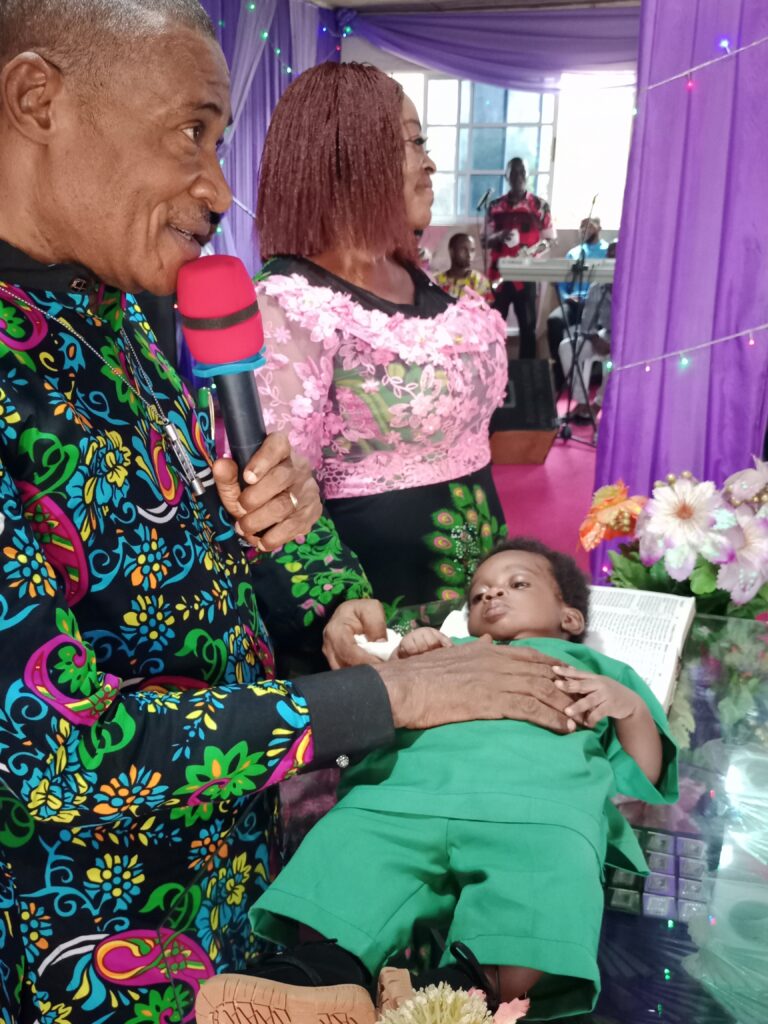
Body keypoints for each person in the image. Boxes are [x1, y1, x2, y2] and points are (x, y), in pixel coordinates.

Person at [0, 4, 583, 1021]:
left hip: (236, 883)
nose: (219, 190)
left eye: (221, 142)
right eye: (191, 132)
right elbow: (57, 750)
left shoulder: (118, 311)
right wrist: (391, 698)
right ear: (37, 99)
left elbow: (164, 559)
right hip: (89, 952)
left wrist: (318, 586)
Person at [198, 538, 678, 1024]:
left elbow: (643, 773)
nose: (491, 595)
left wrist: (630, 709)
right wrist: (407, 656)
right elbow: (383, 700)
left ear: (569, 617)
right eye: (478, 594)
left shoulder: (594, 670)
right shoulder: (448, 652)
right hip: (399, 800)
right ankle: (317, 975)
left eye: (517, 584)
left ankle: (452, 996)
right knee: (347, 857)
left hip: (537, 814)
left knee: (546, 894)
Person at [253, 63, 510, 644]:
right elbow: (276, 504)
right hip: (377, 626)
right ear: (349, 157)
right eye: (414, 142)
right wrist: (351, 628)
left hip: (486, 605)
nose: (429, 163)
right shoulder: (288, 305)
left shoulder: (416, 277)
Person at [485, 158, 556, 359]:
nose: (518, 177)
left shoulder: (540, 206)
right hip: (498, 274)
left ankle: (527, 374)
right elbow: (485, 241)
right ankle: (495, 368)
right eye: (513, 172)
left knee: (527, 327)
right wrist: (499, 236)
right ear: (506, 176)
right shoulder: (495, 206)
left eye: (522, 172)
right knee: (494, 326)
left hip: (526, 273)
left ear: (528, 175)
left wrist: (530, 252)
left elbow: (550, 240)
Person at [546, 218, 610, 393]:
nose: (584, 230)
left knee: (602, 324)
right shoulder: (574, 253)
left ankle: (595, 375)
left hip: (597, 303)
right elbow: (562, 284)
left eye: (589, 226)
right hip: (575, 302)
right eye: (582, 227)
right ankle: (560, 374)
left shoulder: (608, 251)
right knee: (554, 321)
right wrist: (567, 297)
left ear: (599, 228)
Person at [558, 240, 616, 421]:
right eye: (610, 255)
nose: (613, 258)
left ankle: (598, 404)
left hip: (630, 341)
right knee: (567, 348)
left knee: (616, 360)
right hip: (606, 334)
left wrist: (616, 345)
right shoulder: (597, 286)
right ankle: (581, 400)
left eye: (617, 255)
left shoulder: (637, 286)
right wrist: (595, 339)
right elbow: (587, 323)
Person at [434, 232, 493, 302]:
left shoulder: (480, 282)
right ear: (452, 251)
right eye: (464, 249)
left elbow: (486, 306)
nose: (469, 255)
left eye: (472, 250)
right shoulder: (436, 281)